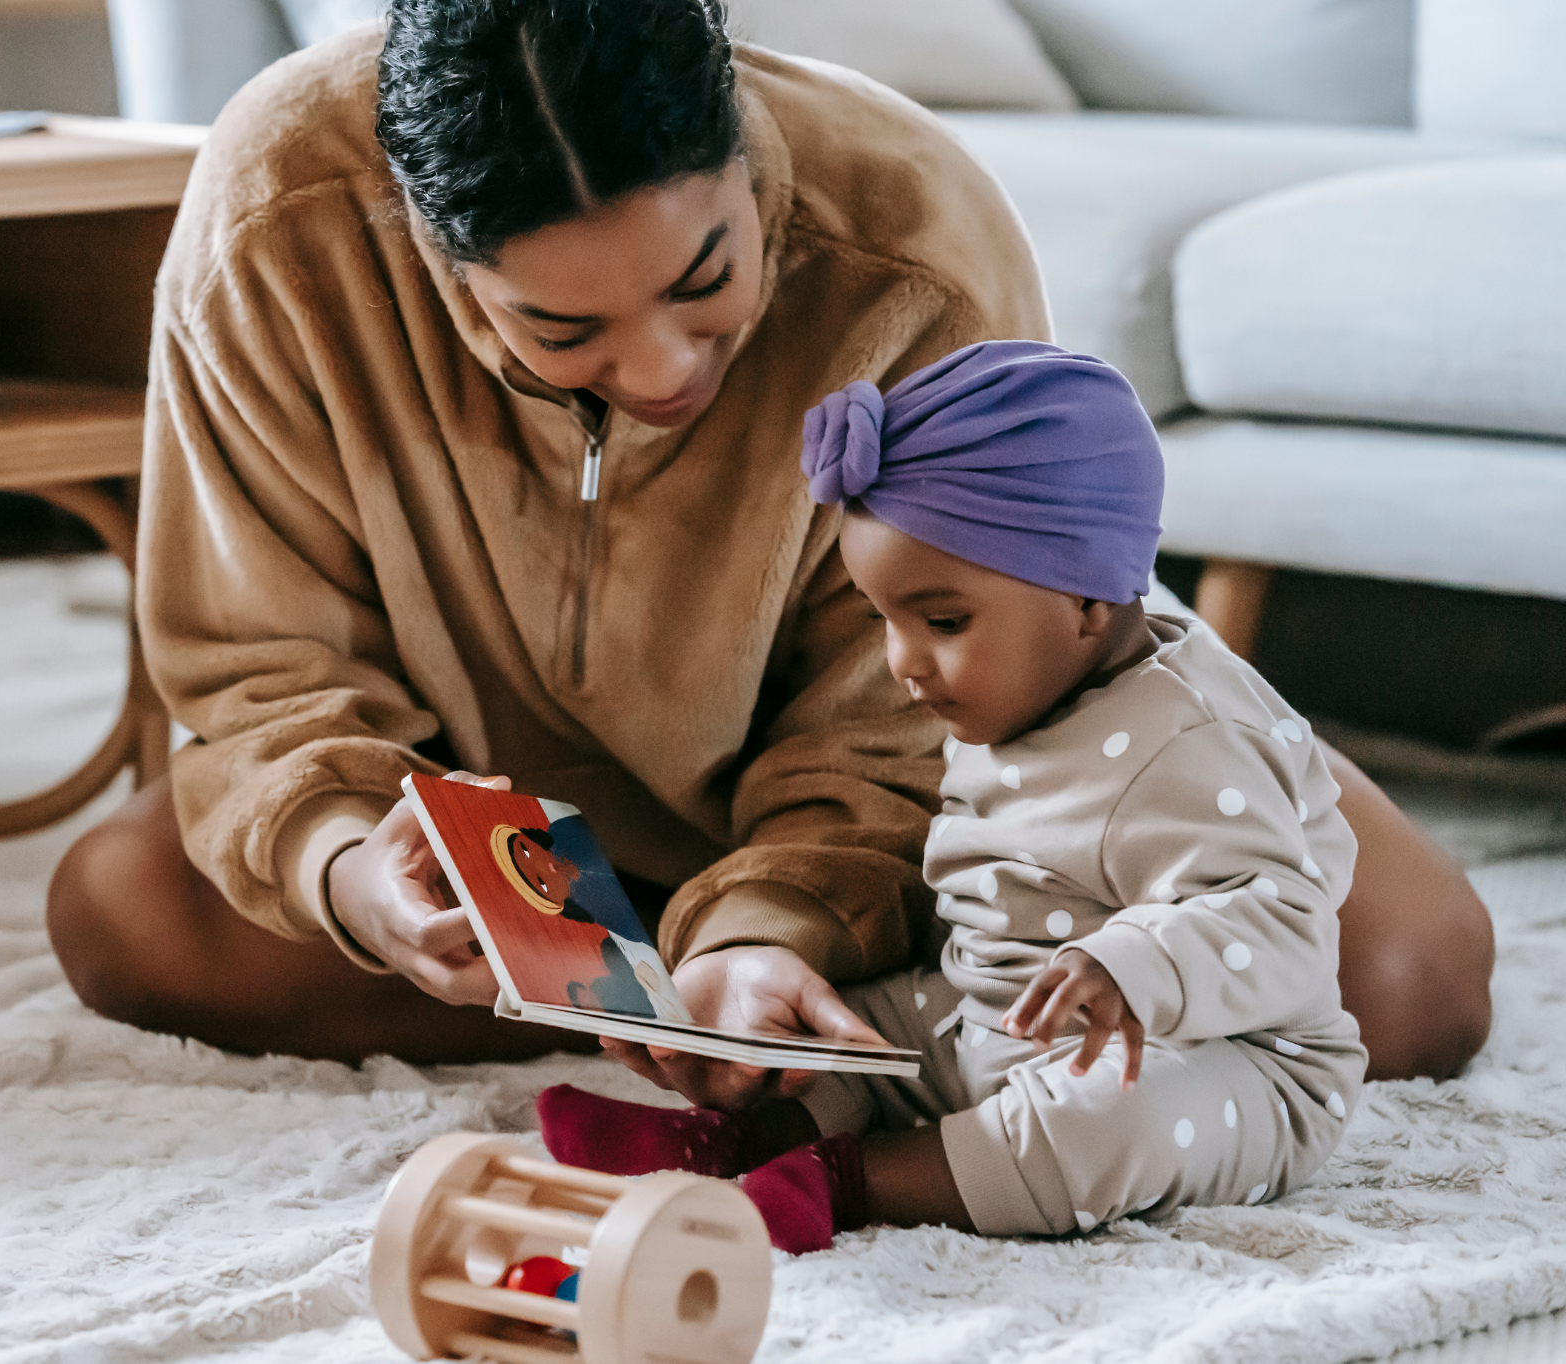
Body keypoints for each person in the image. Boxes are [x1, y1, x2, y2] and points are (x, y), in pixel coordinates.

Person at [45, 0, 1491, 1090]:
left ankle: (756, 980)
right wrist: (353, 871)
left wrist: (778, 926)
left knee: (1404, 973)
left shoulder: (910, 233)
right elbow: (259, 668)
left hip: (927, 799)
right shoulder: (280, 217)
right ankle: (764, 998)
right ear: (431, 245)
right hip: (505, 802)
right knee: (126, 914)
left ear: (742, 143)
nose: (664, 367)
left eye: (706, 279)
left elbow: (925, 713)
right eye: (561, 330)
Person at [538, 342, 1368, 1250]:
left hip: (1220, 1059)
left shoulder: (1193, 739)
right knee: (858, 1031)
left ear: (1087, 598)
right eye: (883, 620)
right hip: (999, 1012)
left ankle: (844, 1185)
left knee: (1101, 1126)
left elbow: (1286, 921)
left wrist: (1135, 966)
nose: (902, 663)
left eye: (941, 622)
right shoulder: (1019, 688)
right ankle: (732, 1142)